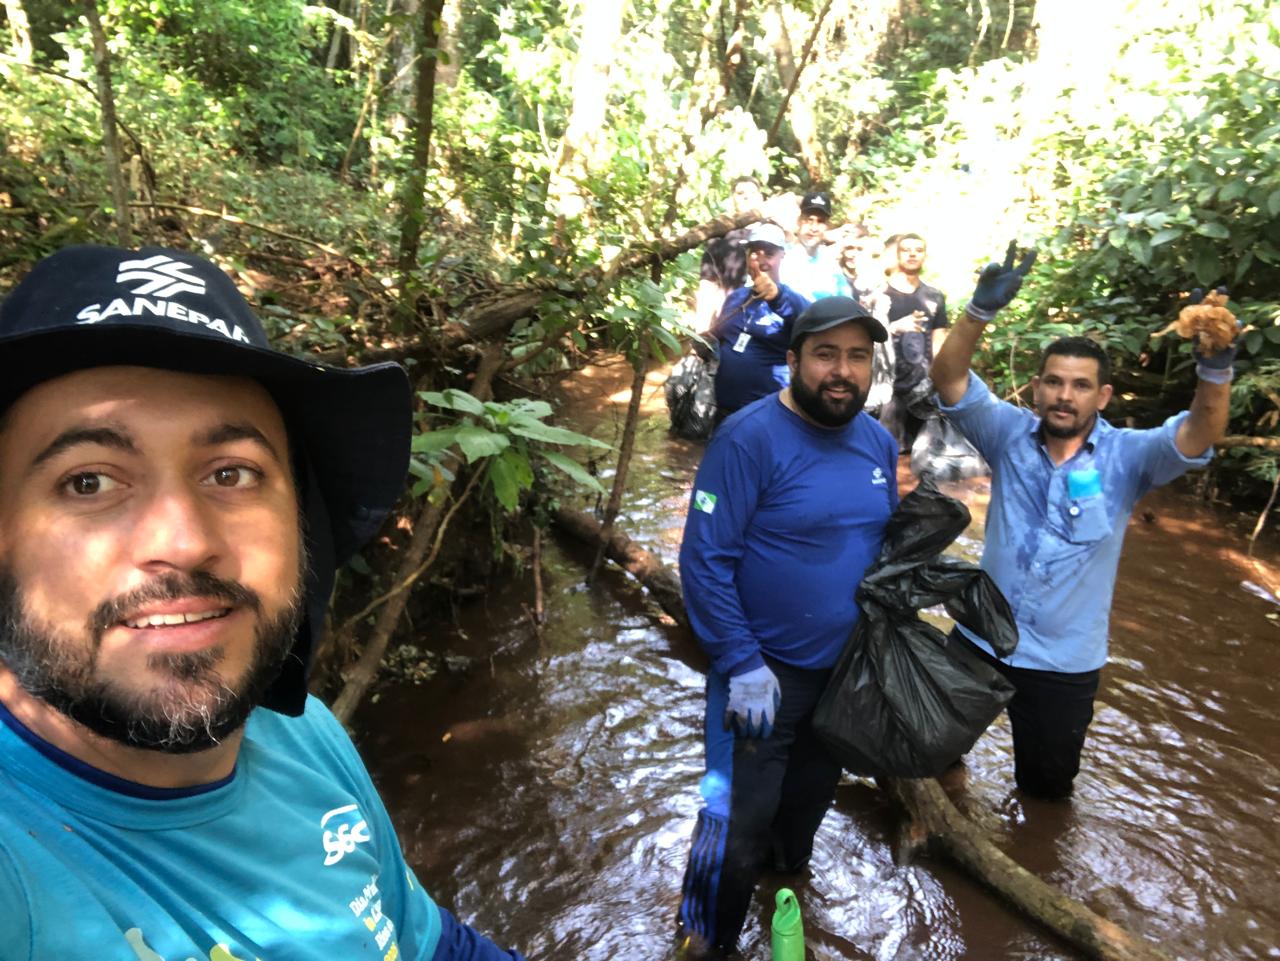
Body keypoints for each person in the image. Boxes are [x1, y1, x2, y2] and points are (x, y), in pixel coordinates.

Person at [0, 245, 524, 959]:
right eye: (89, 481)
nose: (183, 541)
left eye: (231, 472)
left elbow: (432, 943)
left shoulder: (301, 733)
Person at [929, 244, 1235, 800]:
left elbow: (1198, 434)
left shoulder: (1130, 457)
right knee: (933, 758)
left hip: (1063, 661)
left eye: (1080, 385)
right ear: (1038, 386)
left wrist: (1214, 368)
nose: (1064, 396)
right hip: (979, 639)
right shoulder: (1006, 435)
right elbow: (949, 378)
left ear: (1104, 395)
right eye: (1053, 382)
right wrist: (977, 311)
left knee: (1046, 793)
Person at [675, 297, 898, 959]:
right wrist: (740, 660)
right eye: (826, 354)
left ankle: (785, 912)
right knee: (736, 825)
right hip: (759, 675)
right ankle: (703, 940)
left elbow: (879, 551)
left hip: (840, 678)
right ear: (794, 359)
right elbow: (704, 559)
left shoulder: (878, 440)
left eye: (857, 356)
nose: (842, 371)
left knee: (797, 825)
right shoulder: (748, 437)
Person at [709, 222, 811, 422]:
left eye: (769, 253)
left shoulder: (790, 299)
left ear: (782, 256)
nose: (761, 260)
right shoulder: (736, 297)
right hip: (726, 413)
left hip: (770, 417)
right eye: (754, 252)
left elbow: (810, 319)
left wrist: (777, 296)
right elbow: (721, 338)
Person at [879, 232, 949, 450]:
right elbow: (866, 340)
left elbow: (939, 339)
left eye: (918, 250)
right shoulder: (879, 295)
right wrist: (894, 328)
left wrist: (941, 380)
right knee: (888, 452)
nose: (912, 254)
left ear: (925, 256)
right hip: (888, 389)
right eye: (906, 250)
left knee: (924, 455)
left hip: (923, 388)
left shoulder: (934, 296)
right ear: (897, 254)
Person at [694, 176, 766, 332]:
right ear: (733, 199)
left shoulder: (775, 233)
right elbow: (708, 288)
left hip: (770, 322)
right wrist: (700, 334)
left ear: (761, 198)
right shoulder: (720, 239)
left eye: (752, 193)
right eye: (740, 193)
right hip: (731, 322)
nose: (746, 197)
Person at [779, 191, 851, 302]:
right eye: (809, 220)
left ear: (827, 226)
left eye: (820, 221)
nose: (814, 228)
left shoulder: (829, 261)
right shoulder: (781, 256)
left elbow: (847, 301)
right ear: (799, 221)